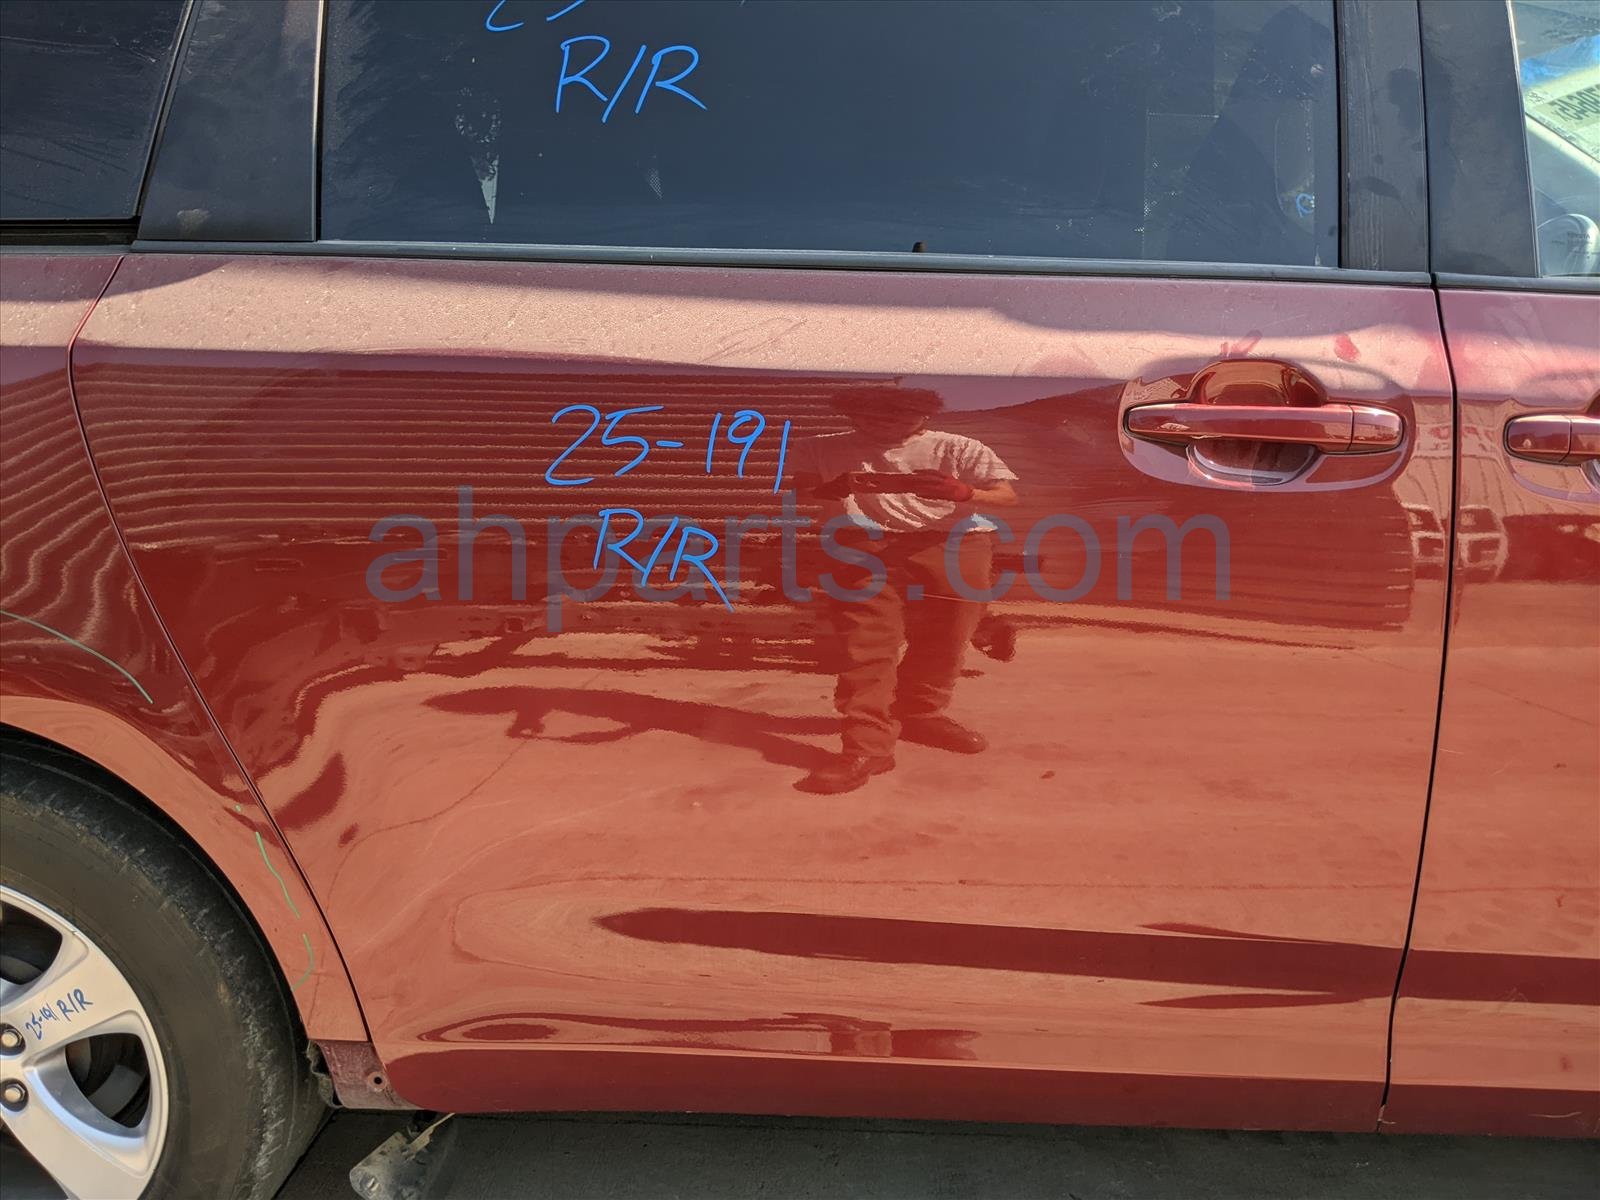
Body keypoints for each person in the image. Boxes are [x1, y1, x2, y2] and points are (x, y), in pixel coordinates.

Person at [792, 386, 1018, 794]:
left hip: (955, 543)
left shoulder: (958, 447)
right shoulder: (818, 447)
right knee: (865, 644)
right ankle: (867, 747)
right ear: (851, 415)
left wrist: (964, 492)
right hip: (860, 544)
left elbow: (1007, 495)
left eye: (900, 417)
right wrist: (835, 487)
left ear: (925, 416)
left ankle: (920, 714)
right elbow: (801, 490)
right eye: (873, 417)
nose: (886, 425)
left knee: (949, 635)